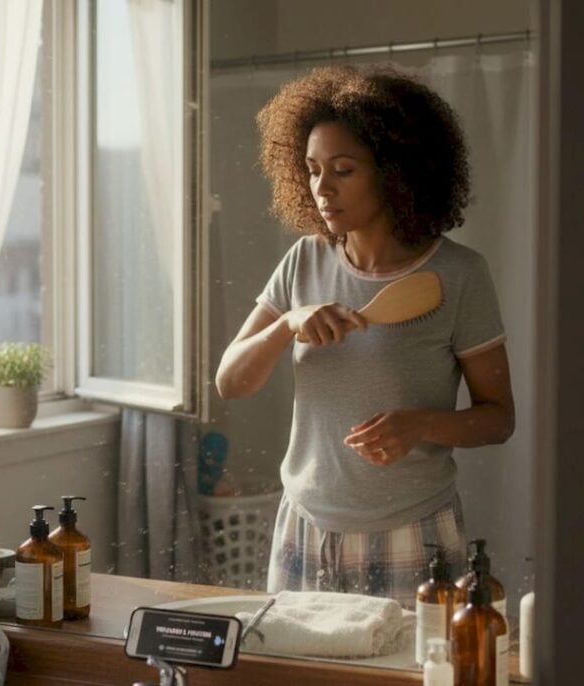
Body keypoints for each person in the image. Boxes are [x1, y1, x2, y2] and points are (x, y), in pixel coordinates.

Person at [214, 65, 515, 607]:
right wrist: (287, 324)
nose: (321, 188)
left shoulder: (459, 274)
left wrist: (421, 424)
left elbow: (498, 418)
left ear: (395, 172)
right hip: (305, 526)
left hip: (411, 533)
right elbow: (230, 382)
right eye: (310, 170)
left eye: (343, 169)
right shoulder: (304, 260)